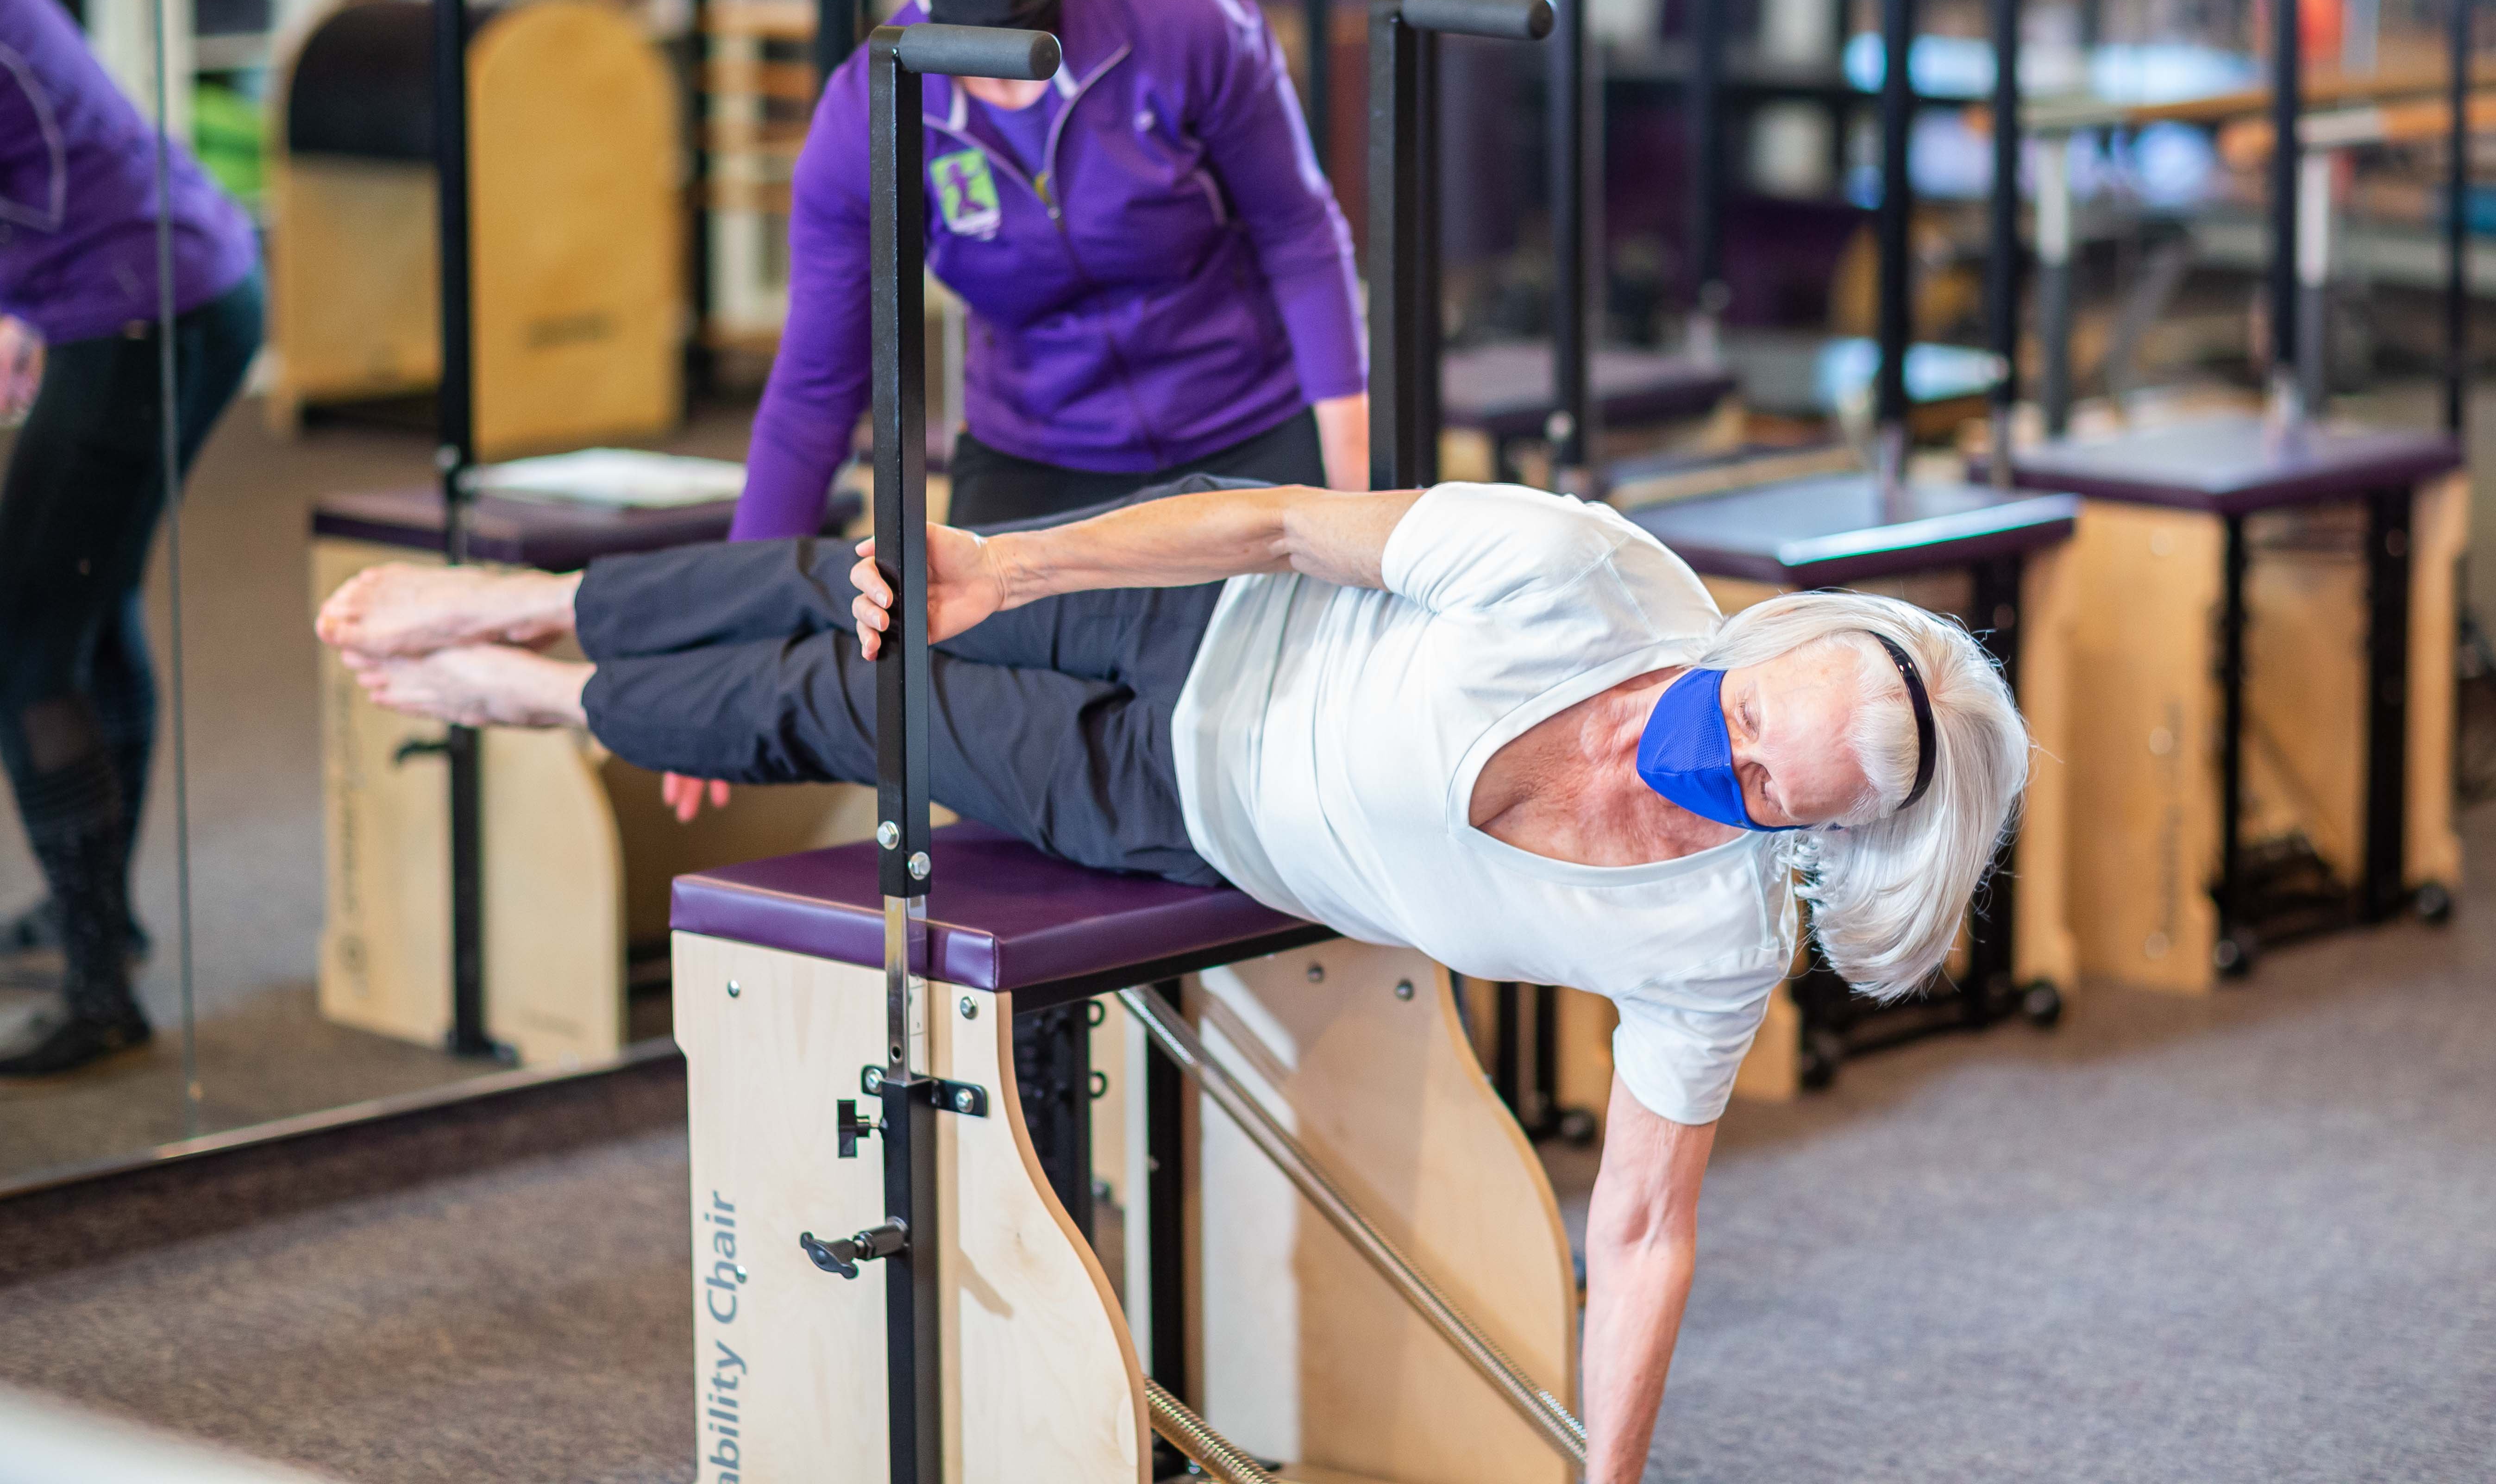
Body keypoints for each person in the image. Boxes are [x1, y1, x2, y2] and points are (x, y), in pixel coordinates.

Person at [317, 477, 2026, 1482]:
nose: (1722, 750)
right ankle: (538, 600)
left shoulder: (1714, 933)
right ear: (1766, 640)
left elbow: (1645, 1226)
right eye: (1745, 704)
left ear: (1818, 837)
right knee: (876, 584)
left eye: (1772, 784)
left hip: (1177, 806)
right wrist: (1016, 566)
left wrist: (1610, 1483)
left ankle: (548, 704)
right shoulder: (1585, 581)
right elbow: (1283, 525)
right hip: (1183, 621)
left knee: (845, 712)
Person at [666, 0, 1368, 825]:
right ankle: (1037, 996)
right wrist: (729, 642)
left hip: (1244, 430)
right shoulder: (869, 122)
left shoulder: (1184, 25)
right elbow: (815, 391)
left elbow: (1300, 230)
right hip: (1037, 454)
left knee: (1280, 749)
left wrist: (1355, 470)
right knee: (1001, 761)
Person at [0, 0, 265, 1073]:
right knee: (86, 606)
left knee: (27, 642)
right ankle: (96, 917)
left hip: (139, 307)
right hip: (178, 281)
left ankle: (101, 984)